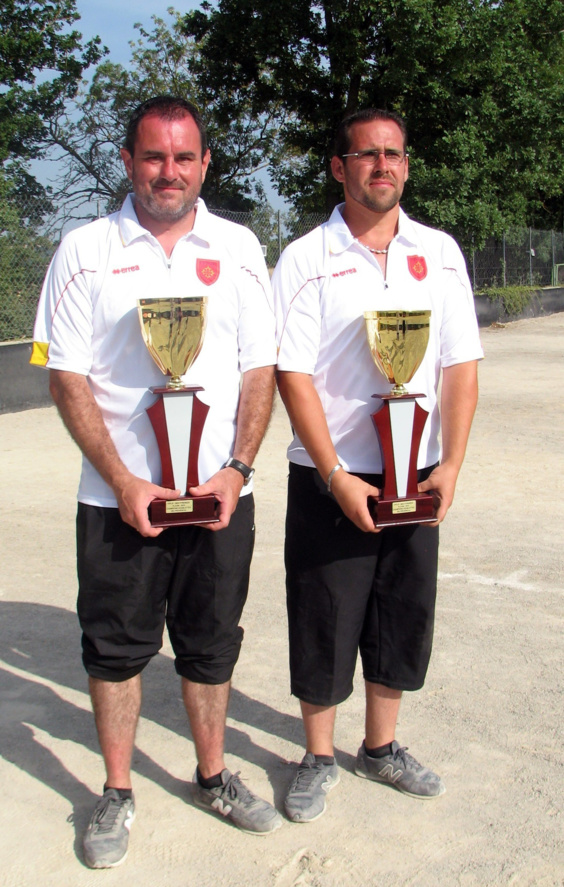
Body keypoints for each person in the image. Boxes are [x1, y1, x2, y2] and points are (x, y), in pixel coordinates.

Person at [31, 95, 282, 867]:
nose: (167, 172)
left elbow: (258, 368)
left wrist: (237, 471)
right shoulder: (84, 249)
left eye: (183, 157)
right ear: (128, 162)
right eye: (152, 156)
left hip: (216, 498)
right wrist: (123, 478)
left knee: (211, 645)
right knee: (114, 649)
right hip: (116, 502)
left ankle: (212, 773)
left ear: (206, 162)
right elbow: (64, 376)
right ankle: (116, 791)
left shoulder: (239, 246)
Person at [272, 108, 482, 823]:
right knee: (325, 617)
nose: (382, 166)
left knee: (402, 612)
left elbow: (460, 365)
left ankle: (381, 746)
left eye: (393, 154)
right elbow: (292, 373)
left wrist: (450, 462)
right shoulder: (306, 257)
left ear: (407, 164)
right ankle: (318, 755)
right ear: (340, 167)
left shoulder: (440, 251)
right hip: (333, 475)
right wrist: (333, 473)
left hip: (415, 471)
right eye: (367, 155)